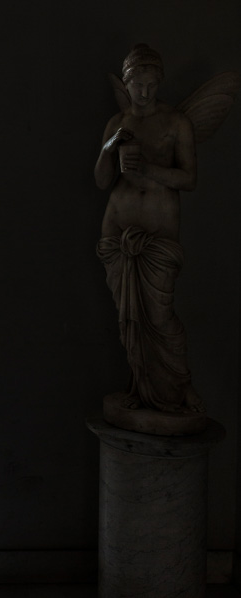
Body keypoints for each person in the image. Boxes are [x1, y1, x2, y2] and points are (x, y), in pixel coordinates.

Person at [94, 44, 200, 413]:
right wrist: (111, 149)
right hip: (117, 235)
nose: (145, 91)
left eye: (152, 84)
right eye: (138, 84)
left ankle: (178, 388)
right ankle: (140, 390)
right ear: (127, 83)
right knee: (129, 320)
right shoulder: (117, 124)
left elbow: (188, 178)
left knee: (159, 316)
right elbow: (101, 181)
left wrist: (146, 169)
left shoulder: (176, 123)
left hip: (158, 239)